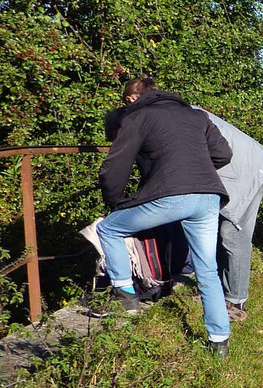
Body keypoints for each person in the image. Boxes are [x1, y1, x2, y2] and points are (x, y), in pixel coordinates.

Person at [95, 77, 233, 356]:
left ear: (132, 99)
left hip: (172, 196)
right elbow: (223, 153)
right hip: (208, 196)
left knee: (110, 229)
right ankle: (219, 341)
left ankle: (125, 295)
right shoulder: (196, 115)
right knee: (207, 268)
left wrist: (115, 201)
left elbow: (115, 166)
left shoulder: (138, 117)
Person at [205, 110, 263, 322]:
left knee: (233, 233)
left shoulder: (176, 118)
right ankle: (219, 290)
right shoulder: (177, 112)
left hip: (246, 171)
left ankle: (235, 302)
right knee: (219, 230)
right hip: (242, 166)